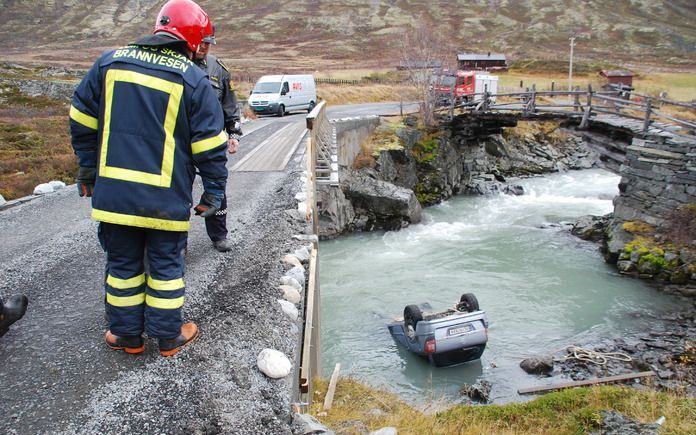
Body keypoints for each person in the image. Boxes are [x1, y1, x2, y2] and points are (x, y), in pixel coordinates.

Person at [70, 0, 228, 357]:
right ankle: (169, 338)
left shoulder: (110, 63)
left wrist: (88, 169)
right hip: (165, 198)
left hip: (115, 195)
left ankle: (127, 337)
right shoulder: (192, 79)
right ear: (191, 39)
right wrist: (214, 192)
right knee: (166, 267)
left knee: (122, 265)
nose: (202, 50)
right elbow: (210, 146)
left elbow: (81, 118)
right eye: (202, 42)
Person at [193, 26, 243, 252]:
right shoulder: (176, 65)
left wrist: (233, 133)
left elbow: (229, 104)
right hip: (179, 144)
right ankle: (176, 241)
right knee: (178, 193)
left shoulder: (218, 68)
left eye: (208, 42)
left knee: (216, 189)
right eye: (201, 41)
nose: (204, 46)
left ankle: (219, 236)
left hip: (211, 143)